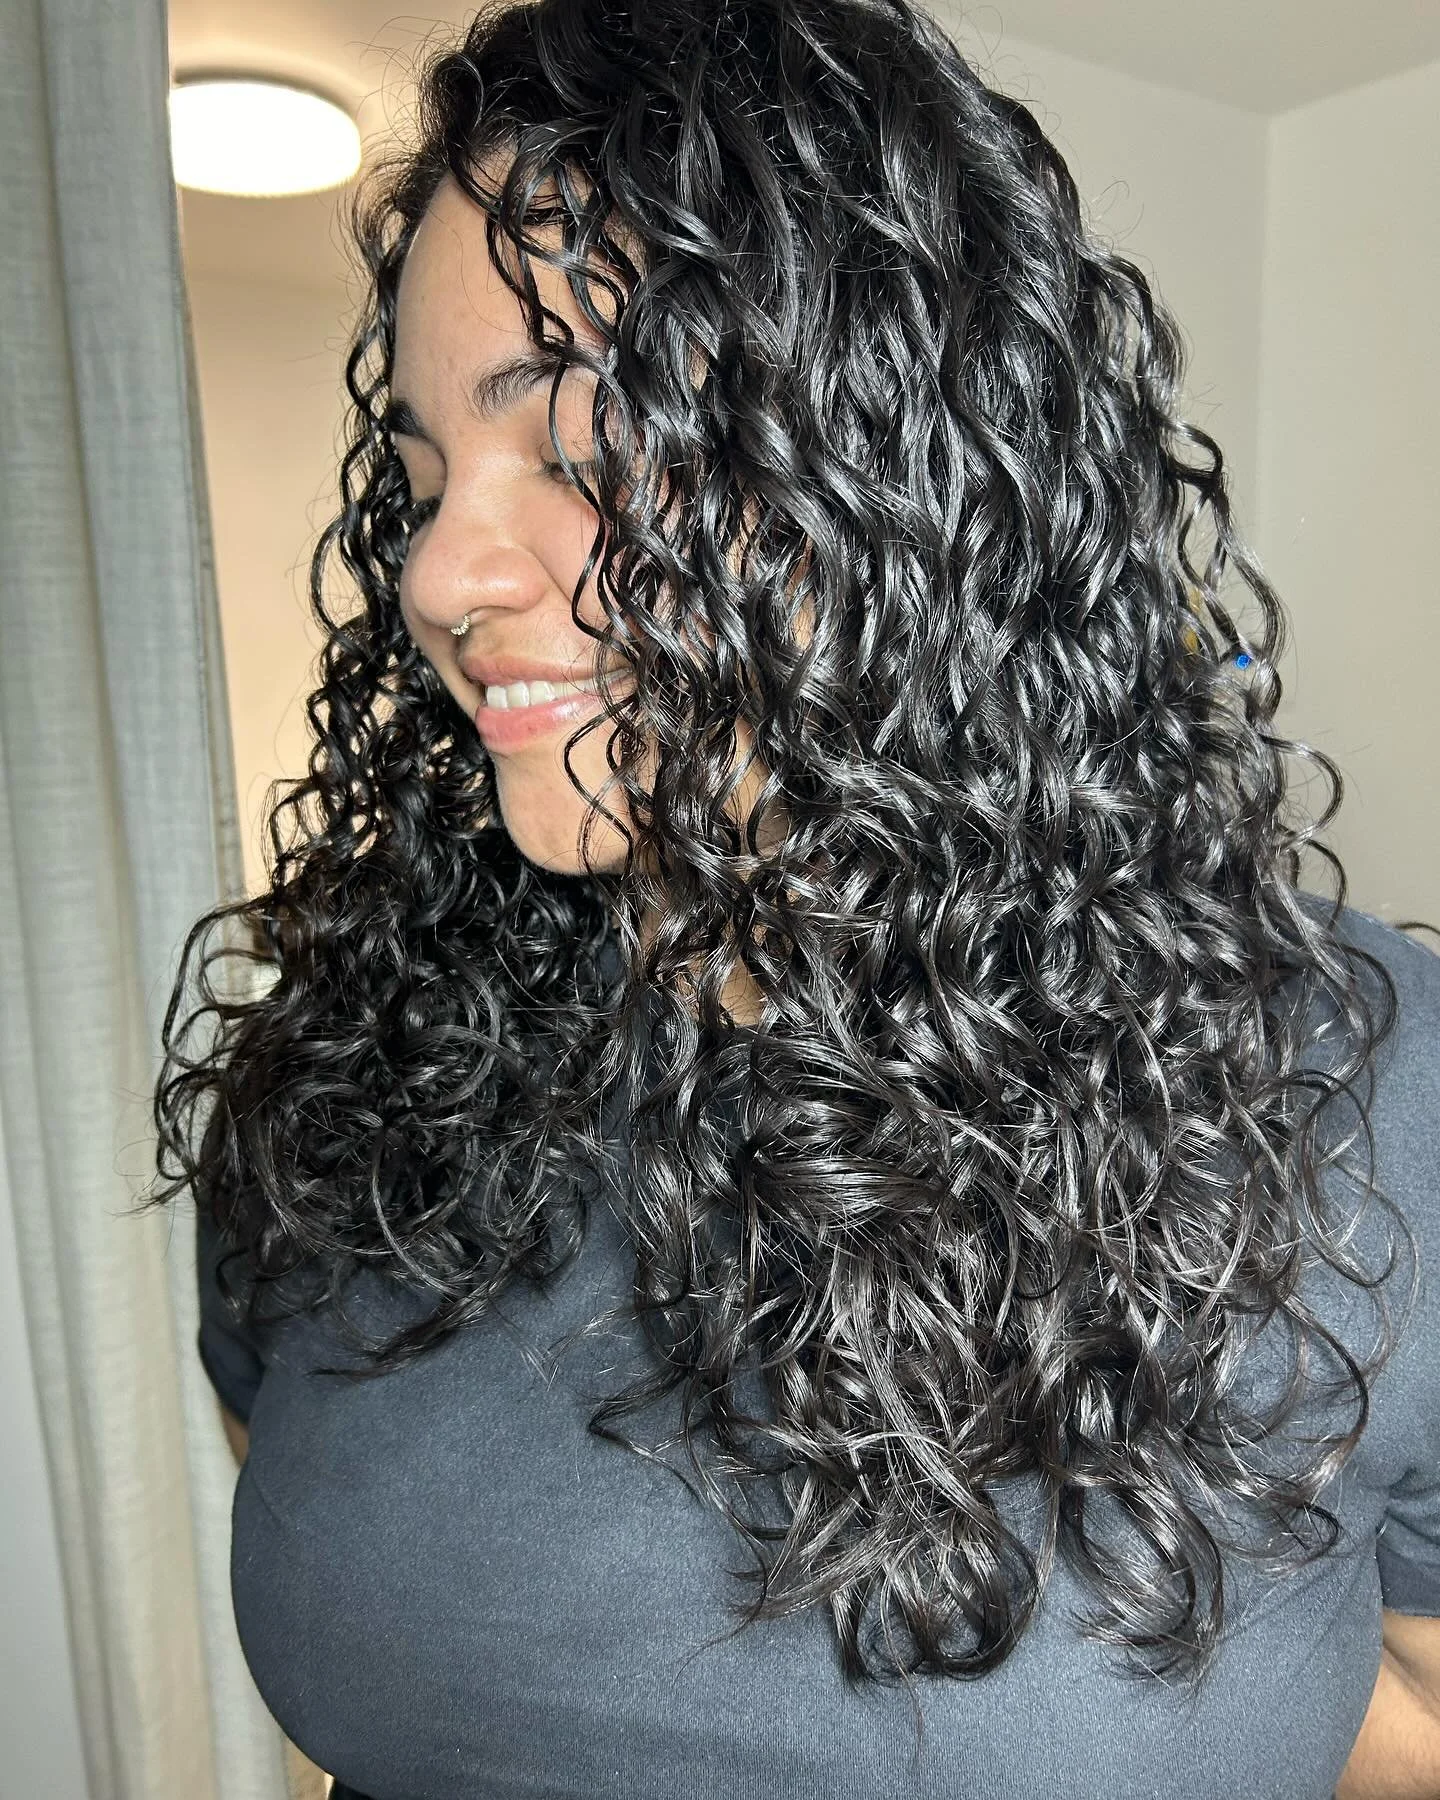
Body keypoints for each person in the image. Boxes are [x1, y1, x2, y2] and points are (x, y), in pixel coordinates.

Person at [142, 0, 1440, 1795]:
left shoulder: (1367, 1103)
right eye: (427, 480)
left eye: (582, 453)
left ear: (902, 469)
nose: (443, 570)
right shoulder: (358, 1081)